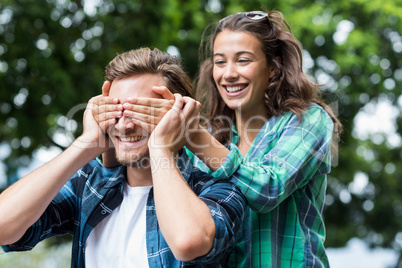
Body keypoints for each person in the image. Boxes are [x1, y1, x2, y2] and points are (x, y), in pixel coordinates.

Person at [112, 10, 342, 267]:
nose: (228, 74)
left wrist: (193, 134)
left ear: (274, 69)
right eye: (220, 62)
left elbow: (268, 189)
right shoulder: (212, 135)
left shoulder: (308, 120)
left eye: (243, 60)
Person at [0, 48, 246, 268]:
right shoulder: (89, 185)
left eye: (142, 112)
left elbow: (188, 243)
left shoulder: (217, 190)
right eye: (116, 111)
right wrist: (86, 144)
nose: (126, 125)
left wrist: (161, 146)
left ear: (178, 115)